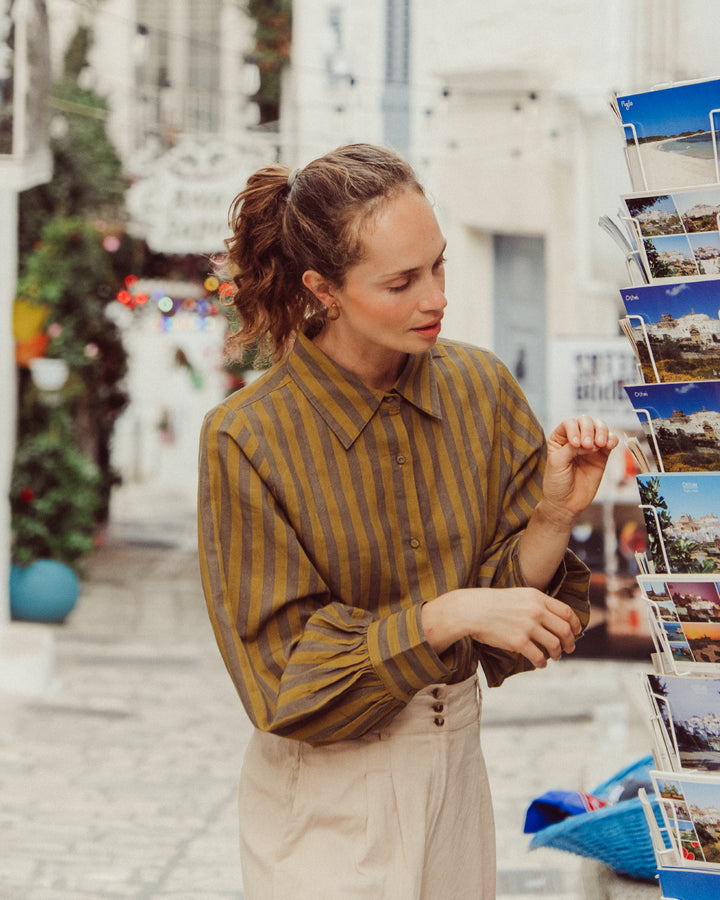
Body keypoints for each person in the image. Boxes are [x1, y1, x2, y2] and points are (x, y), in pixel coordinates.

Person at [197, 143, 618, 899]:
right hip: (326, 794)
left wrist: (553, 516)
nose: (436, 298)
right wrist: (443, 616)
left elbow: (507, 611)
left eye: (439, 266)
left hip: (456, 768)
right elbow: (283, 683)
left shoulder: (481, 388)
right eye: (401, 281)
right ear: (323, 289)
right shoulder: (247, 437)